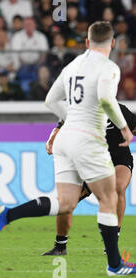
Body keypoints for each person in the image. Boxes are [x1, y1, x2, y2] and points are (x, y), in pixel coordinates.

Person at [0, 21, 136, 276]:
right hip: (88, 139)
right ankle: (114, 265)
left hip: (65, 138)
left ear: (87, 42)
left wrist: (69, 121)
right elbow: (106, 99)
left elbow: (50, 100)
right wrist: (123, 127)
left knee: (64, 203)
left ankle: (7, 214)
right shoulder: (109, 67)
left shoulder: (73, 66)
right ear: (111, 43)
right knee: (109, 197)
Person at [42, 103, 136, 256]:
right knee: (66, 202)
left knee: (118, 187)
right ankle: (60, 246)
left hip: (119, 160)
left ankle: (112, 242)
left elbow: (133, 128)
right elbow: (61, 126)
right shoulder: (81, 111)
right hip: (93, 164)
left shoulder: (119, 110)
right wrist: (52, 140)